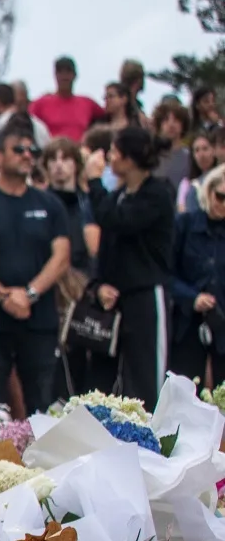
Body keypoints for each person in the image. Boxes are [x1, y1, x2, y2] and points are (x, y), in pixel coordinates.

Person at [0, 116, 70, 414]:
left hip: (38, 319)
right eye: (19, 149)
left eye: (32, 151)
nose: (28, 156)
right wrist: (3, 295)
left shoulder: (50, 204)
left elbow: (61, 256)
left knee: (43, 403)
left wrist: (30, 294)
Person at [88, 124, 178, 404]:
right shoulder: (118, 196)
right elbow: (106, 246)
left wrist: (93, 182)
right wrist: (99, 285)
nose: (109, 159)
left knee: (145, 377)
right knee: (107, 382)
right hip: (115, 299)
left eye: (114, 153)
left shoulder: (157, 194)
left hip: (146, 296)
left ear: (129, 158)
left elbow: (119, 220)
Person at [169, 163, 225, 389]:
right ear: (209, 192)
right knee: (185, 389)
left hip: (222, 320)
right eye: (220, 196)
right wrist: (192, 298)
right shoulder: (185, 223)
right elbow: (166, 272)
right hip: (188, 320)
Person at [30, 58, 102, 143]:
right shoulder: (41, 103)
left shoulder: (87, 103)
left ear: (75, 75)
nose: (64, 76)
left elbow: (109, 114)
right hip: (51, 152)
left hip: (80, 152)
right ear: (55, 75)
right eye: (60, 72)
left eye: (68, 72)